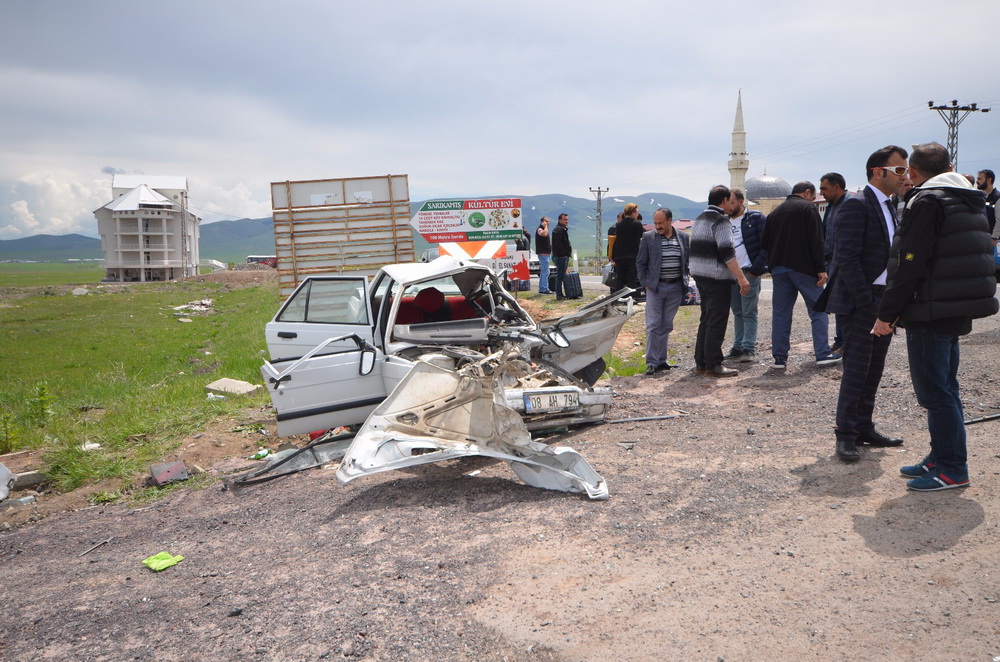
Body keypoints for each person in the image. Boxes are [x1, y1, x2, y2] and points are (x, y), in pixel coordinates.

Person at [872, 143, 998, 490]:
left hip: (930, 309)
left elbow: (909, 262)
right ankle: (941, 456)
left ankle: (952, 468)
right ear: (950, 166)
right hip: (954, 307)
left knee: (935, 393)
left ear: (912, 173)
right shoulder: (968, 198)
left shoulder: (927, 201)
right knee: (947, 387)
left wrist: (888, 314)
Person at [816, 145, 909, 461]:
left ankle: (863, 427)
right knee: (856, 369)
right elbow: (848, 259)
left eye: (905, 170)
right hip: (862, 301)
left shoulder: (889, 206)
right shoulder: (857, 205)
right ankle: (845, 435)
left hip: (884, 299)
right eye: (899, 170)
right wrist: (868, 304)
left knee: (874, 368)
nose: (904, 176)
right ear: (877, 171)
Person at [761, 181, 840, 369]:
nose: (814, 199)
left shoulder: (775, 213)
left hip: (779, 269)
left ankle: (779, 359)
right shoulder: (808, 209)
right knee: (818, 310)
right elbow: (816, 239)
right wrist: (820, 267)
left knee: (781, 314)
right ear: (807, 193)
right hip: (804, 269)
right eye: (813, 196)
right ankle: (822, 353)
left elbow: (764, 243)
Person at [689, 185, 750, 377]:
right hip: (716, 277)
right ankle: (714, 364)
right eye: (729, 201)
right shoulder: (720, 221)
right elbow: (727, 252)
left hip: (700, 275)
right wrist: (741, 277)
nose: (730, 205)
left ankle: (701, 362)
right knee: (716, 320)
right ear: (723, 200)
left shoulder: (699, 219)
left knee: (706, 318)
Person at [636, 208, 690, 375]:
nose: (657, 226)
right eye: (656, 223)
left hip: (675, 288)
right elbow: (640, 263)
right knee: (653, 325)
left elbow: (686, 261)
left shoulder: (683, 237)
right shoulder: (648, 237)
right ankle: (651, 362)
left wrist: (685, 280)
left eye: (660, 223)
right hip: (655, 288)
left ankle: (661, 360)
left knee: (666, 325)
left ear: (669, 221)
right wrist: (646, 283)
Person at [726, 189, 768, 362]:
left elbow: (766, 245)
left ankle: (749, 348)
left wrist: (755, 269)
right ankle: (738, 345)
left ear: (741, 201)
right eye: (727, 202)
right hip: (731, 274)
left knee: (749, 311)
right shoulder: (724, 222)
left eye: (733, 202)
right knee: (737, 311)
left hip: (748, 271)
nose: (729, 206)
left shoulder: (756, 218)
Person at [819, 173, 849, 353]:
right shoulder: (830, 207)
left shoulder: (849, 205)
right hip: (830, 263)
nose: (821, 192)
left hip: (844, 263)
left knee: (844, 303)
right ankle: (840, 340)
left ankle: (846, 341)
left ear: (836, 187)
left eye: (824, 188)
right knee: (837, 304)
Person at [612, 203, 644, 295]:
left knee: (620, 278)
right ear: (633, 212)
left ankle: (617, 297)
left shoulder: (619, 225)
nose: (637, 214)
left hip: (619, 255)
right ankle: (629, 297)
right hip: (632, 255)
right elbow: (642, 235)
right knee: (631, 278)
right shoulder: (637, 224)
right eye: (637, 212)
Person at [551, 213, 575, 300]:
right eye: (565, 219)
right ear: (560, 220)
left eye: (567, 219)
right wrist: (563, 255)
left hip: (563, 256)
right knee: (560, 276)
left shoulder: (562, 229)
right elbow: (557, 245)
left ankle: (565, 293)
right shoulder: (558, 230)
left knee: (562, 275)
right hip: (561, 257)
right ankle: (559, 294)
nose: (566, 221)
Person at [976, 169, 998, 237]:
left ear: (989, 180)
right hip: (979, 238)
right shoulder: (977, 197)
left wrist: (995, 237)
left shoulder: (997, 198)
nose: (977, 181)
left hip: (993, 241)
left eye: (979, 179)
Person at [535, 217, 552, 294]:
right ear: (542, 222)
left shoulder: (544, 229)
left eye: (548, 222)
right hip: (543, 254)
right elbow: (544, 234)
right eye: (546, 221)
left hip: (547, 253)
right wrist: (545, 226)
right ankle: (544, 288)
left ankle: (542, 287)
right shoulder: (540, 229)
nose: (548, 223)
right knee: (545, 272)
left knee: (545, 271)